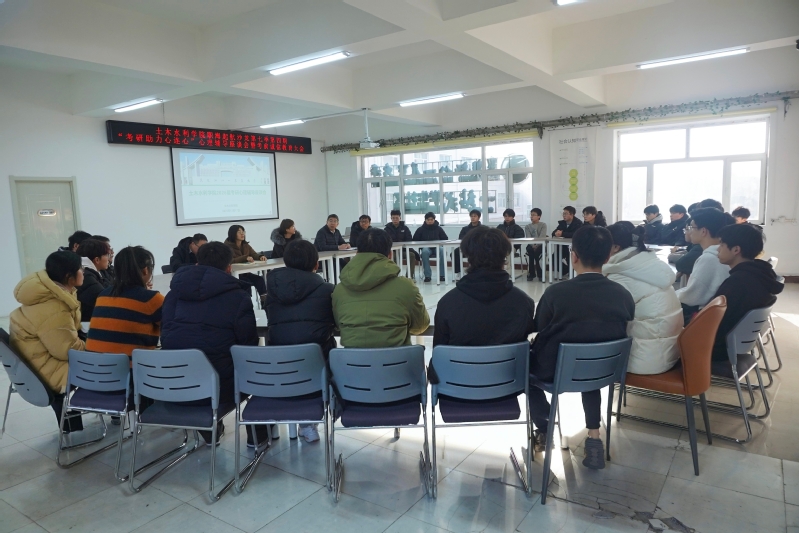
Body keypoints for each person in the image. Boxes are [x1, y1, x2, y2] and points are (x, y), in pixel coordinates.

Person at [529, 226, 634, 469]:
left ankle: (545, 429)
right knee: (591, 359)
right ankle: (594, 437)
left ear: (573, 256)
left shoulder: (556, 293)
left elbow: (539, 327)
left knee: (527, 374)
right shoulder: (623, 295)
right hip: (603, 371)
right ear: (608, 257)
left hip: (555, 371)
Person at [161, 242, 268, 447]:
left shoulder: (172, 295)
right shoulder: (238, 297)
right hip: (219, 388)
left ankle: (210, 432)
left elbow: (166, 336)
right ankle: (257, 438)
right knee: (259, 367)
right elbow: (248, 349)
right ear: (229, 268)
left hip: (172, 384)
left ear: (197, 263)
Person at [265, 240, 336, 443]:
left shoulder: (272, 292)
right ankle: (308, 423)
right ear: (316, 264)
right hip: (316, 369)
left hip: (279, 368)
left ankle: (300, 423)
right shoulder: (327, 290)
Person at [9, 251, 86, 432]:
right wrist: (92, 345)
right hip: (47, 372)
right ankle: (120, 415)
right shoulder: (54, 305)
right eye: (80, 269)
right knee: (111, 365)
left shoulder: (48, 294)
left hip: (33, 365)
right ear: (69, 277)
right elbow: (67, 350)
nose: (83, 272)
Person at [433, 226, 535, 349]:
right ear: (504, 256)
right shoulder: (524, 302)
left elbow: (439, 351)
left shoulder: (447, 303)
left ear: (468, 256)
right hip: (508, 362)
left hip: (460, 362)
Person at [603, 223, 682, 374]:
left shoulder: (621, 275)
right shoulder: (651, 265)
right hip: (670, 353)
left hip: (644, 360)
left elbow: (608, 319)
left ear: (616, 247)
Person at [332, 228, 429, 347]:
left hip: (352, 358)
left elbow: (338, 325)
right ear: (390, 255)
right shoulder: (406, 287)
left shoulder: (339, 290)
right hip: (397, 358)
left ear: (356, 253)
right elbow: (420, 326)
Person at [710, 224, 783, 362]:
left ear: (736, 250)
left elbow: (711, 321)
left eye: (721, 244)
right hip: (736, 343)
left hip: (716, 348)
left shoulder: (738, 282)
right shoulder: (760, 274)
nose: (718, 249)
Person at [86, 246, 163, 360]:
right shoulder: (150, 299)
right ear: (145, 270)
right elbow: (175, 329)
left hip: (92, 366)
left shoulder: (103, 295)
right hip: (128, 369)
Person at [675, 208, 732, 324]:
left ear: (703, 231)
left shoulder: (709, 259)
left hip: (707, 321)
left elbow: (692, 297)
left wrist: (671, 295)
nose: (689, 231)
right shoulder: (723, 254)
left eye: (691, 227)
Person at [225, 224, 267, 299]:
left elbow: (253, 254)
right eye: (239, 232)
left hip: (245, 273)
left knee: (260, 280)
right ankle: (247, 303)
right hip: (233, 275)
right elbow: (230, 261)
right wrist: (245, 258)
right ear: (233, 234)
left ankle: (265, 302)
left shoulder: (245, 245)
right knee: (246, 283)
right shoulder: (227, 246)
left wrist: (260, 257)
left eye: (243, 231)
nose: (242, 234)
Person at [75, 238, 113, 321]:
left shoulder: (96, 272)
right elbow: (105, 299)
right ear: (97, 260)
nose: (109, 259)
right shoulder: (86, 276)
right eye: (107, 255)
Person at [413, 212, 449, 283]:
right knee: (424, 252)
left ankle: (442, 275)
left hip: (437, 247)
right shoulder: (420, 229)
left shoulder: (439, 229)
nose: (430, 221)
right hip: (426, 248)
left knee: (442, 251)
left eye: (431, 219)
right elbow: (415, 239)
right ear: (425, 220)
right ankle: (427, 276)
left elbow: (445, 238)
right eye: (428, 220)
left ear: (434, 220)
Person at [384, 209, 418, 279]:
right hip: (392, 251)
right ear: (391, 218)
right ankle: (394, 276)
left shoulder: (405, 228)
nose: (395, 220)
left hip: (403, 250)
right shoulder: (387, 229)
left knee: (412, 255)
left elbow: (409, 239)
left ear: (400, 218)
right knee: (394, 256)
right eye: (393, 218)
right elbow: (384, 240)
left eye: (397, 218)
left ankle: (409, 276)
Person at [551, 206, 583, 274]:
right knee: (553, 258)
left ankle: (573, 273)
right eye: (563, 214)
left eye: (565, 213)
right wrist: (556, 233)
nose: (564, 215)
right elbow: (553, 233)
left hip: (574, 248)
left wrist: (562, 234)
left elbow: (575, 234)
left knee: (571, 258)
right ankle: (566, 270)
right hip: (563, 247)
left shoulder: (578, 223)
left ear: (572, 215)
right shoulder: (562, 223)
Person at [454, 209, 482, 278]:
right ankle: (459, 272)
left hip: (478, 248)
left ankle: (478, 271)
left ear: (478, 217)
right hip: (466, 248)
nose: (473, 218)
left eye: (475, 216)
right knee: (455, 252)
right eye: (471, 216)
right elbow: (461, 238)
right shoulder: (465, 229)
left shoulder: (482, 228)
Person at [525, 208, 547, 281]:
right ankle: (532, 274)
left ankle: (540, 274)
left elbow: (542, 236)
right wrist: (533, 245)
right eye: (531, 215)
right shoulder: (527, 226)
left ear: (539, 216)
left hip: (540, 245)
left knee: (537, 253)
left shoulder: (543, 225)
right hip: (531, 245)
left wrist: (536, 245)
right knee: (530, 252)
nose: (531, 216)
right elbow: (528, 237)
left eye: (534, 215)